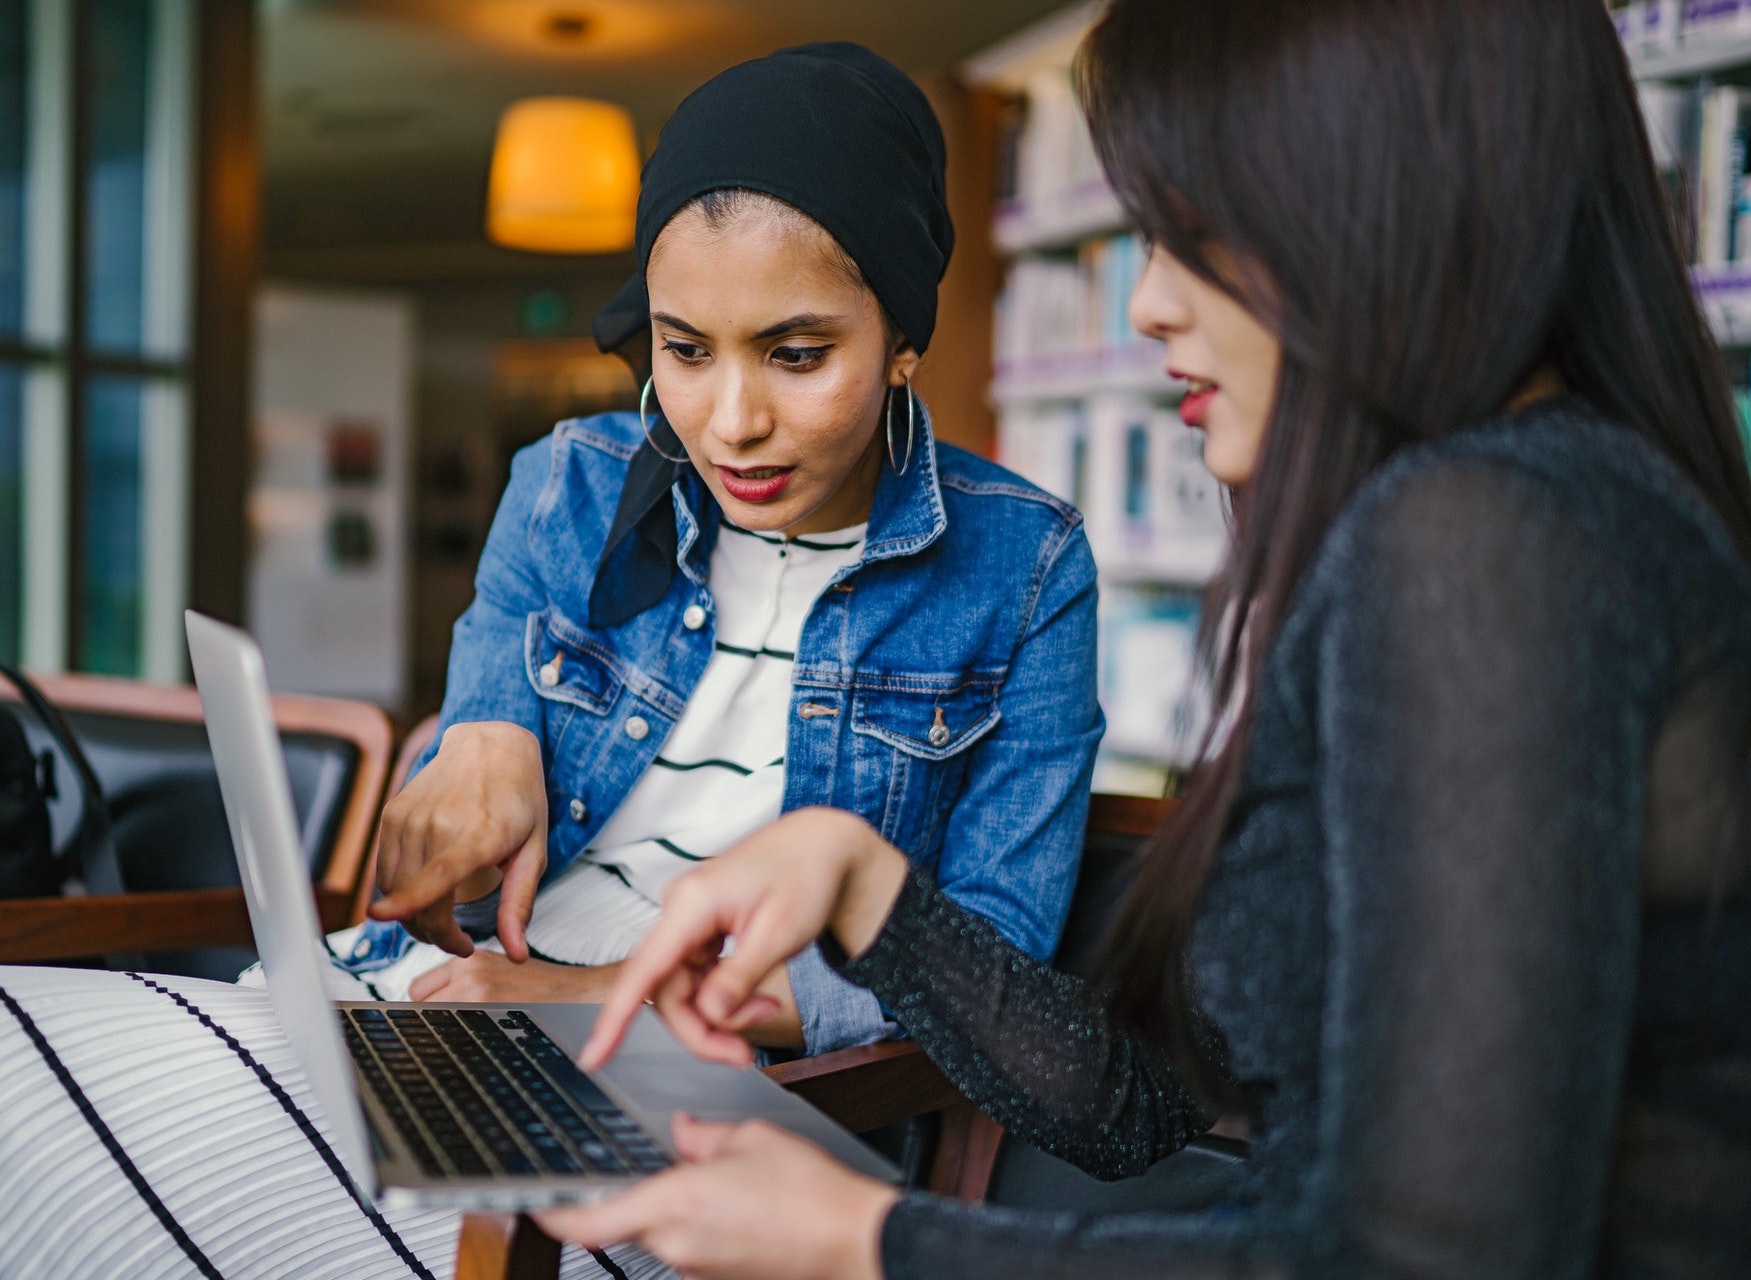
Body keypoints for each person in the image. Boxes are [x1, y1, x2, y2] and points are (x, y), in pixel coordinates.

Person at [537, 2, 1751, 1277]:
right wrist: (865, 885)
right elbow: (1132, 1109)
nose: (1154, 302)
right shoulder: (1514, 513)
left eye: (1190, 235)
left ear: (1375, 199)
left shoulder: (1486, 538)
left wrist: (865, 1240)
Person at [0, 43, 1102, 1280]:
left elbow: (984, 962)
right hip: (443, 1003)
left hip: (723, 1094)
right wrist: (477, 729)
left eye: (795, 355)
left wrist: (586, 987)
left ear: (903, 336)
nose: (729, 420)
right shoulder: (569, 482)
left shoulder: (1025, 566)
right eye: (684, 349)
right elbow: (474, 736)